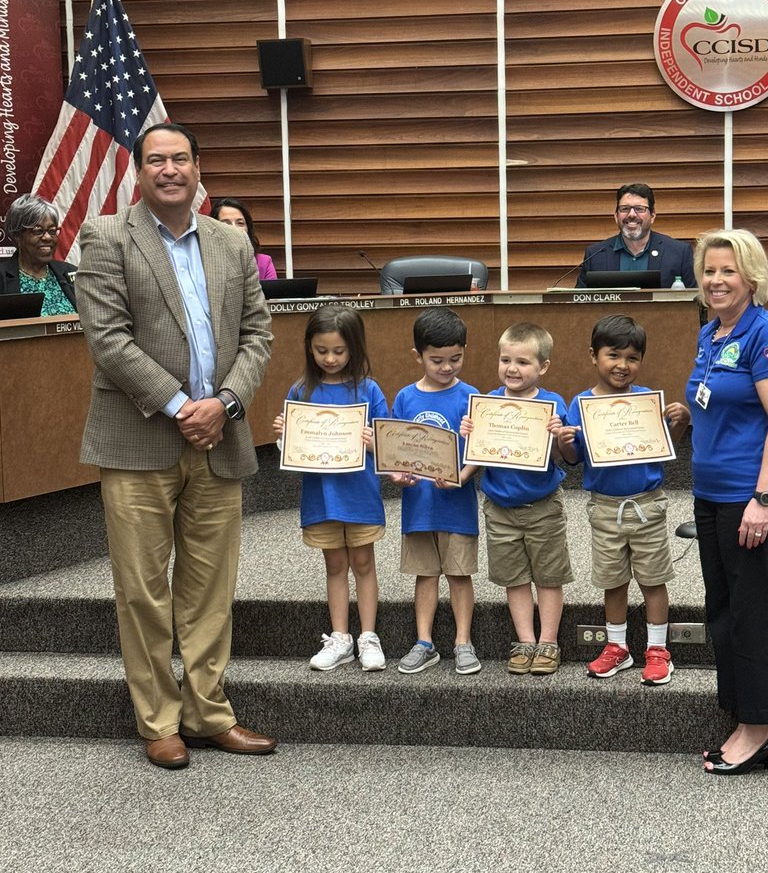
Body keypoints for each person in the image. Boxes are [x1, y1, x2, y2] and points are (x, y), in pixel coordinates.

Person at [76, 123, 275, 770]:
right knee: (142, 589)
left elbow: (257, 335)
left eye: (180, 158)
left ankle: (209, 713)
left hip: (220, 437)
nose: (169, 169)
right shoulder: (106, 238)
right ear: (138, 171)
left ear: (197, 167)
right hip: (138, 438)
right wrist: (180, 405)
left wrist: (224, 404)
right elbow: (108, 339)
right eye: (156, 159)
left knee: (210, 587)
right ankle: (158, 720)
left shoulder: (229, 242)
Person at [686, 229, 768, 776]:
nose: (716, 280)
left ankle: (763, 730)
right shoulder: (711, 332)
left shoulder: (767, 331)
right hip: (711, 495)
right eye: (709, 271)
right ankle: (743, 715)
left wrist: (763, 498)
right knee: (725, 611)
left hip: (749, 497)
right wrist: (686, 415)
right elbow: (722, 398)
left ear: (751, 277)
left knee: (752, 613)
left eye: (728, 271)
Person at [557, 315, 690, 686]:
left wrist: (679, 422)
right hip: (604, 508)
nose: (622, 365)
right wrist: (565, 442)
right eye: (613, 355)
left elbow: (665, 452)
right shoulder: (581, 403)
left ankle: (658, 650)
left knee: (653, 579)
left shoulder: (647, 403)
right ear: (593, 356)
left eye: (632, 357)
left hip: (647, 504)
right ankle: (618, 647)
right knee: (612, 581)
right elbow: (572, 460)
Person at [273, 305, 388, 672]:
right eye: (322, 351)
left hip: (359, 494)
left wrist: (373, 443)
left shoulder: (368, 389)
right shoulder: (301, 389)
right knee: (335, 564)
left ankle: (368, 635)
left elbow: (388, 447)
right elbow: (292, 451)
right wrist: (284, 436)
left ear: (354, 348)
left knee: (363, 562)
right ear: (309, 348)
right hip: (322, 496)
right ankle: (340, 637)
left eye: (339, 351)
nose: (331, 358)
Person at [459, 323, 572, 676]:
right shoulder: (487, 405)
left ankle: (549, 641)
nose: (512, 368)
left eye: (523, 362)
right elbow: (476, 456)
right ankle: (525, 641)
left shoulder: (553, 404)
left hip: (543, 506)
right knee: (515, 577)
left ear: (543, 367)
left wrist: (558, 436)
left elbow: (560, 457)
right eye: (505, 359)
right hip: (499, 508)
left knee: (549, 576)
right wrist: (468, 443)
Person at [391, 307, 481, 675]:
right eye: (437, 360)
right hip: (419, 504)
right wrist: (397, 476)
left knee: (459, 574)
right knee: (425, 574)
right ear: (418, 356)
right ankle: (424, 642)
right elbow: (394, 452)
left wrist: (463, 474)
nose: (447, 367)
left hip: (457, 502)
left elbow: (481, 451)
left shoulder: (472, 396)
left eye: (455, 359)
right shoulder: (405, 398)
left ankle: (463, 641)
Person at [575, 182, 696, 288]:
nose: (631, 214)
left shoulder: (679, 253)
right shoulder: (595, 255)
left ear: (652, 216)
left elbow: (694, 303)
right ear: (616, 216)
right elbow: (578, 305)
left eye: (639, 208)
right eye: (625, 209)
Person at [0, 195, 78, 315]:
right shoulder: (2, 279)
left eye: (52, 231)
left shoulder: (71, 274)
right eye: (38, 231)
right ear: (18, 235)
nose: (47, 237)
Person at [211, 197, 277, 280]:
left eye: (240, 223)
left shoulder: (264, 262)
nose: (234, 228)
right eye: (226, 223)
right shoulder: (205, 263)